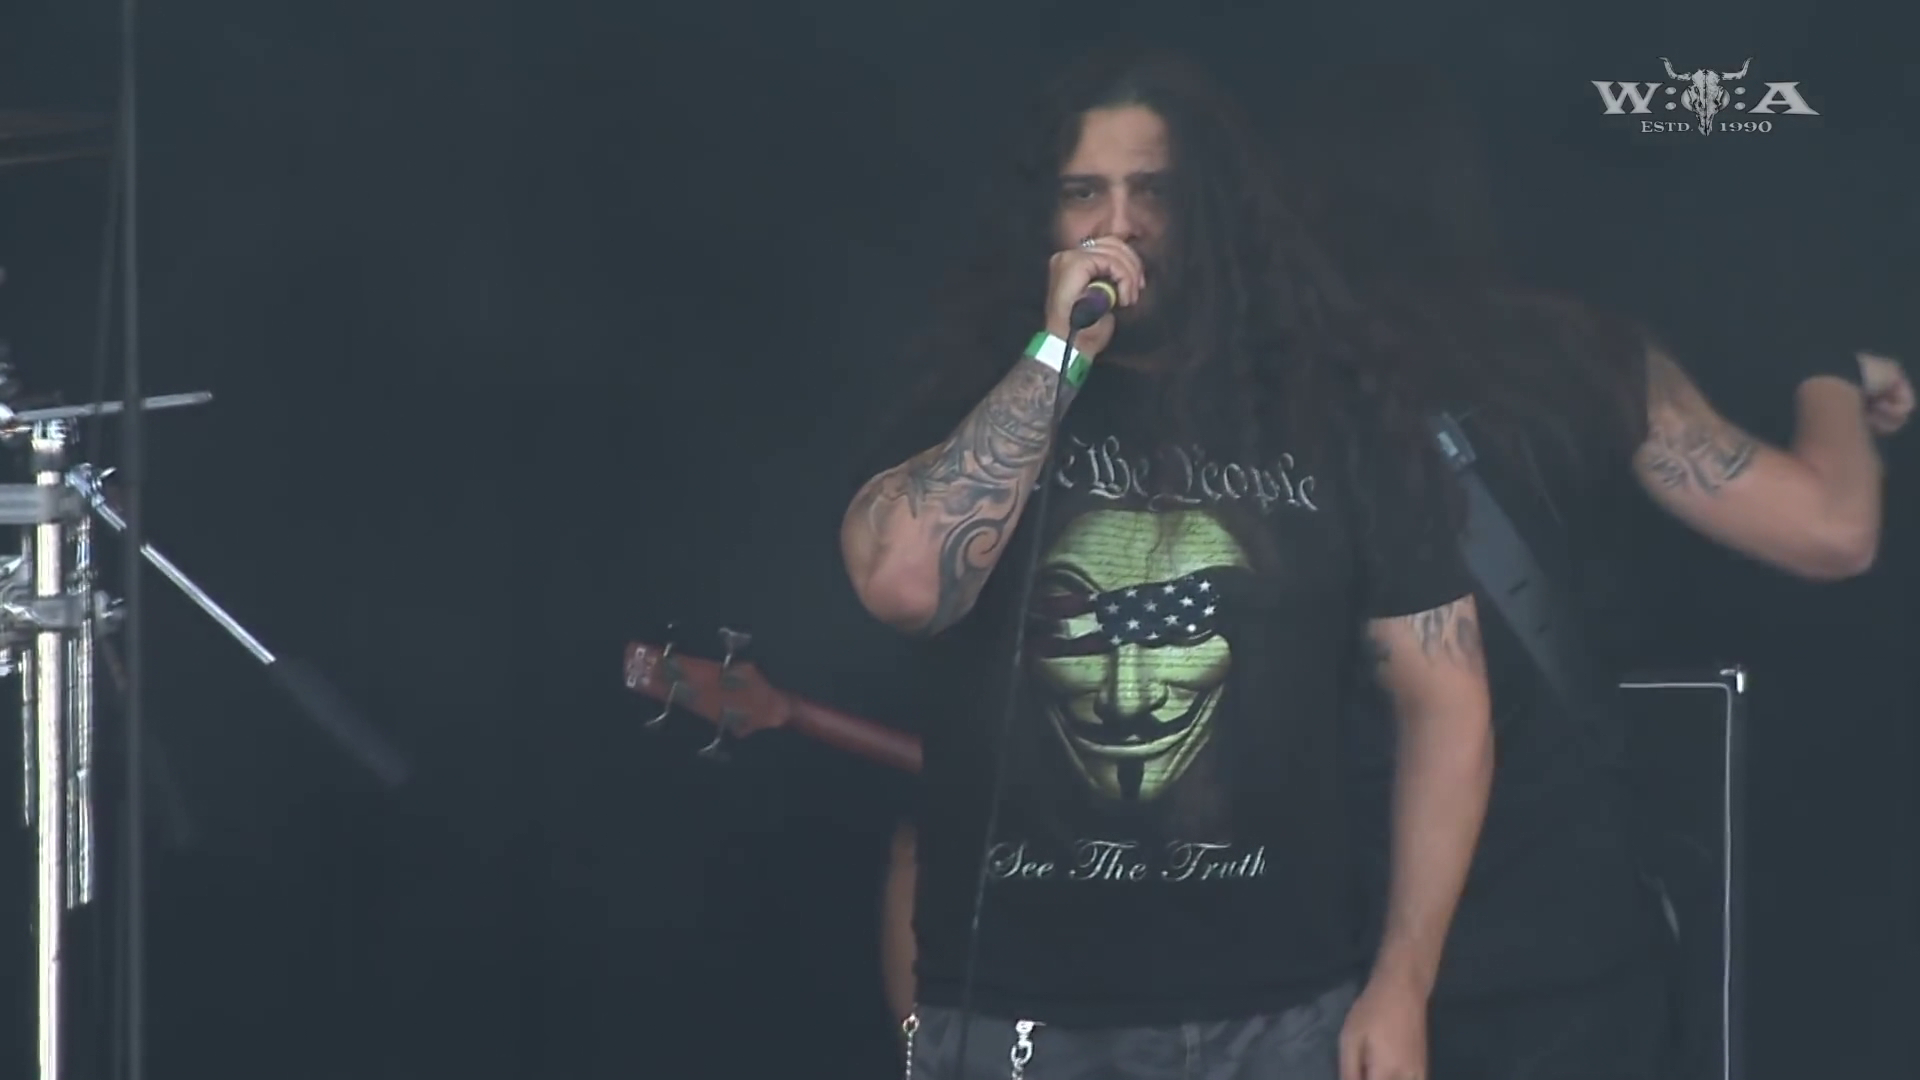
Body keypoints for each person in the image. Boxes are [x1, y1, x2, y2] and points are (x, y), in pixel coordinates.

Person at [842, 49, 1495, 1080]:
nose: (1121, 223)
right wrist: (1059, 357)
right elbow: (905, 585)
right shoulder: (971, 398)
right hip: (1022, 1014)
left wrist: (1401, 983)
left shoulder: (1333, 416)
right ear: (1042, 216)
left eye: (1154, 192)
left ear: (1214, 214)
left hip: (1280, 1015)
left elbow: (1446, 700)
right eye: (1084, 192)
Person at [1269, 62, 1912, 1080]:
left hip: (1303, 934)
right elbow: (1832, 529)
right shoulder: (1573, 353)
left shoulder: (1245, 379)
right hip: (1559, 929)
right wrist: (1830, 367)